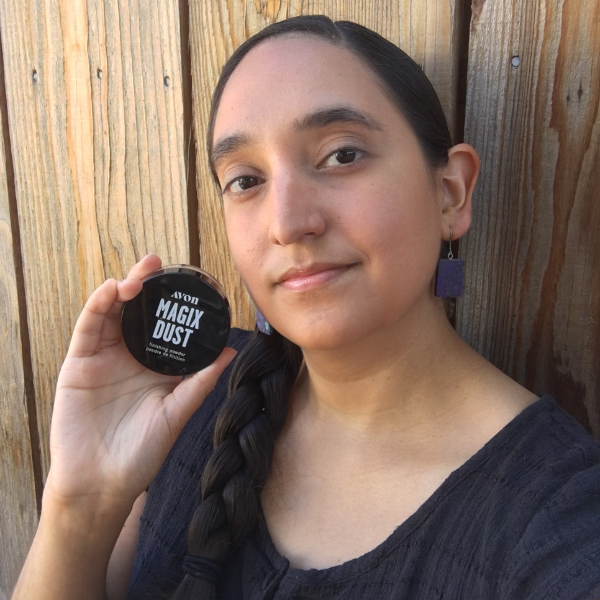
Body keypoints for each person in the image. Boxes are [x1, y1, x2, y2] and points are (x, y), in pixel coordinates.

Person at [11, 15, 600, 600]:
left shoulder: (562, 526)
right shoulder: (192, 397)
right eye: (245, 180)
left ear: (451, 193)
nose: (289, 223)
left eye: (342, 155)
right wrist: (80, 506)